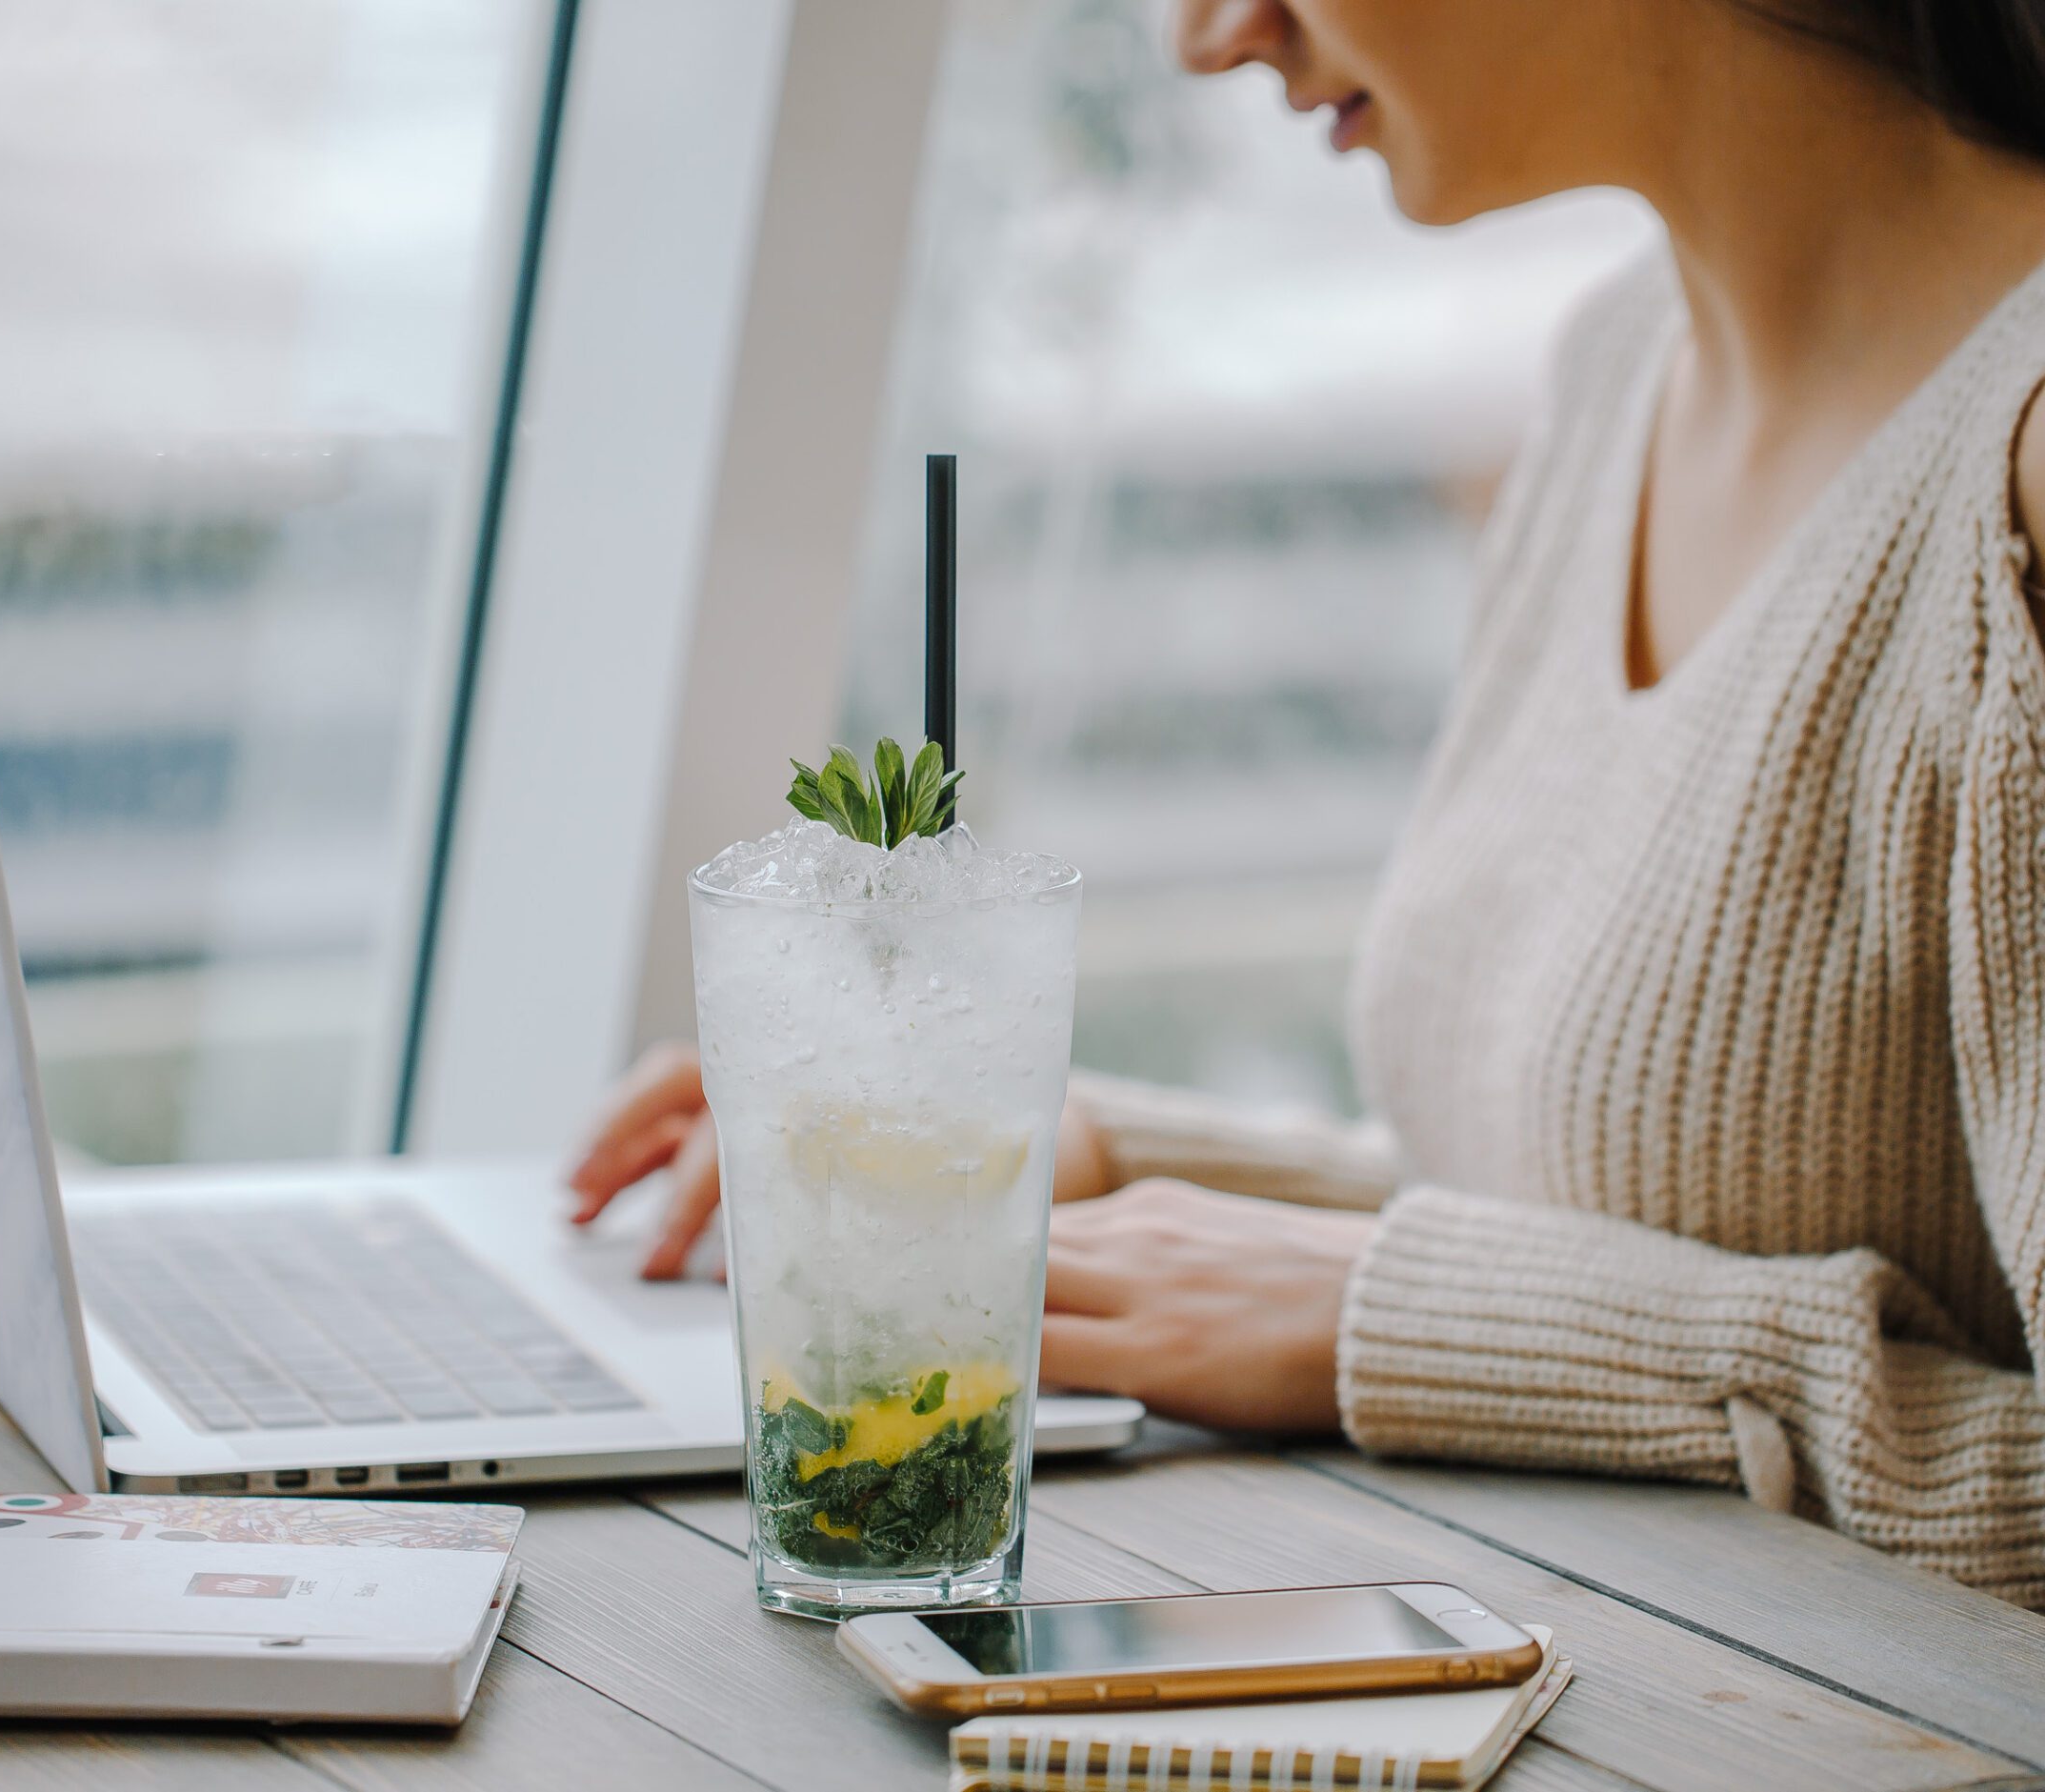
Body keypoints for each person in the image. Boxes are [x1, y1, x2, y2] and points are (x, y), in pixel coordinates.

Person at [569, 0, 2045, 1609]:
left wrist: (1408, 1327)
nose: (1210, 35)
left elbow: (1523, 1297)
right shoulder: (1622, 369)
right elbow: (1608, 1207)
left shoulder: (2017, 474)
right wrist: (1071, 1152)